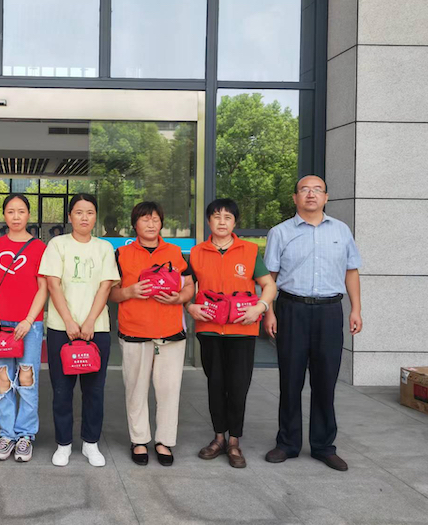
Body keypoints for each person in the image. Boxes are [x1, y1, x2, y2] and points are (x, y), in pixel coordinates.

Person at [263, 175, 362, 472]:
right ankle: (287, 443)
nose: (311, 194)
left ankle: (323, 446)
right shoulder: (280, 232)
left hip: (330, 311)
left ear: (326, 197)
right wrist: (269, 312)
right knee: (290, 380)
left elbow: (351, 271)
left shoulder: (341, 231)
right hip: (291, 310)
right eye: (304, 190)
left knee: (325, 381)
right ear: (295, 198)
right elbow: (270, 277)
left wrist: (356, 309)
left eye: (317, 190)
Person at [185, 199, 276, 469]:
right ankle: (218, 438)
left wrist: (260, 307)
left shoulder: (249, 250)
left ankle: (234, 441)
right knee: (215, 385)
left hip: (242, 330)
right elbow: (187, 288)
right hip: (210, 329)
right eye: (216, 216)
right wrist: (189, 306)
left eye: (227, 217)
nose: (222, 221)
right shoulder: (197, 252)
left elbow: (268, 285)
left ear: (235, 222)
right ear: (208, 221)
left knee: (238, 385)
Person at [110, 202, 195, 466]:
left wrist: (179, 297)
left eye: (156, 219)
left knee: (169, 390)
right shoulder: (121, 254)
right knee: (135, 389)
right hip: (134, 331)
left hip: (171, 332)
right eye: (145, 219)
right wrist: (130, 292)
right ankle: (139, 440)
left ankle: (164, 441)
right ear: (134, 224)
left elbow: (190, 284)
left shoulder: (175, 252)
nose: (151, 224)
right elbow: (111, 293)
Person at [39, 194, 120, 467]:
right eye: (79, 212)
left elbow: (106, 287)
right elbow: (53, 284)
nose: (84, 217)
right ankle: (63, 444)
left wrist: (89, 322)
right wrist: (69, 321)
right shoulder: (57, 244)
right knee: (62, 390)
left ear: (96, 216)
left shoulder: (104, 248)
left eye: (90, 212)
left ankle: (90, 443)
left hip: (97, 329)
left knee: (94, 390)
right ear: (70, 216)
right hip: (61, 329)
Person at [0, 194, 48, 462]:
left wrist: (29, 320)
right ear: (4, 215)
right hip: (1, 324)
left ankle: (25, 435)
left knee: (27, 377)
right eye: (11, 211)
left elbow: (43, 288)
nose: (16, 216)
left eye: (21, 211)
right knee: (3, 378)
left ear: (28, 215)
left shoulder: (39, 247)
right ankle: (7, 434)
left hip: (30, 325)